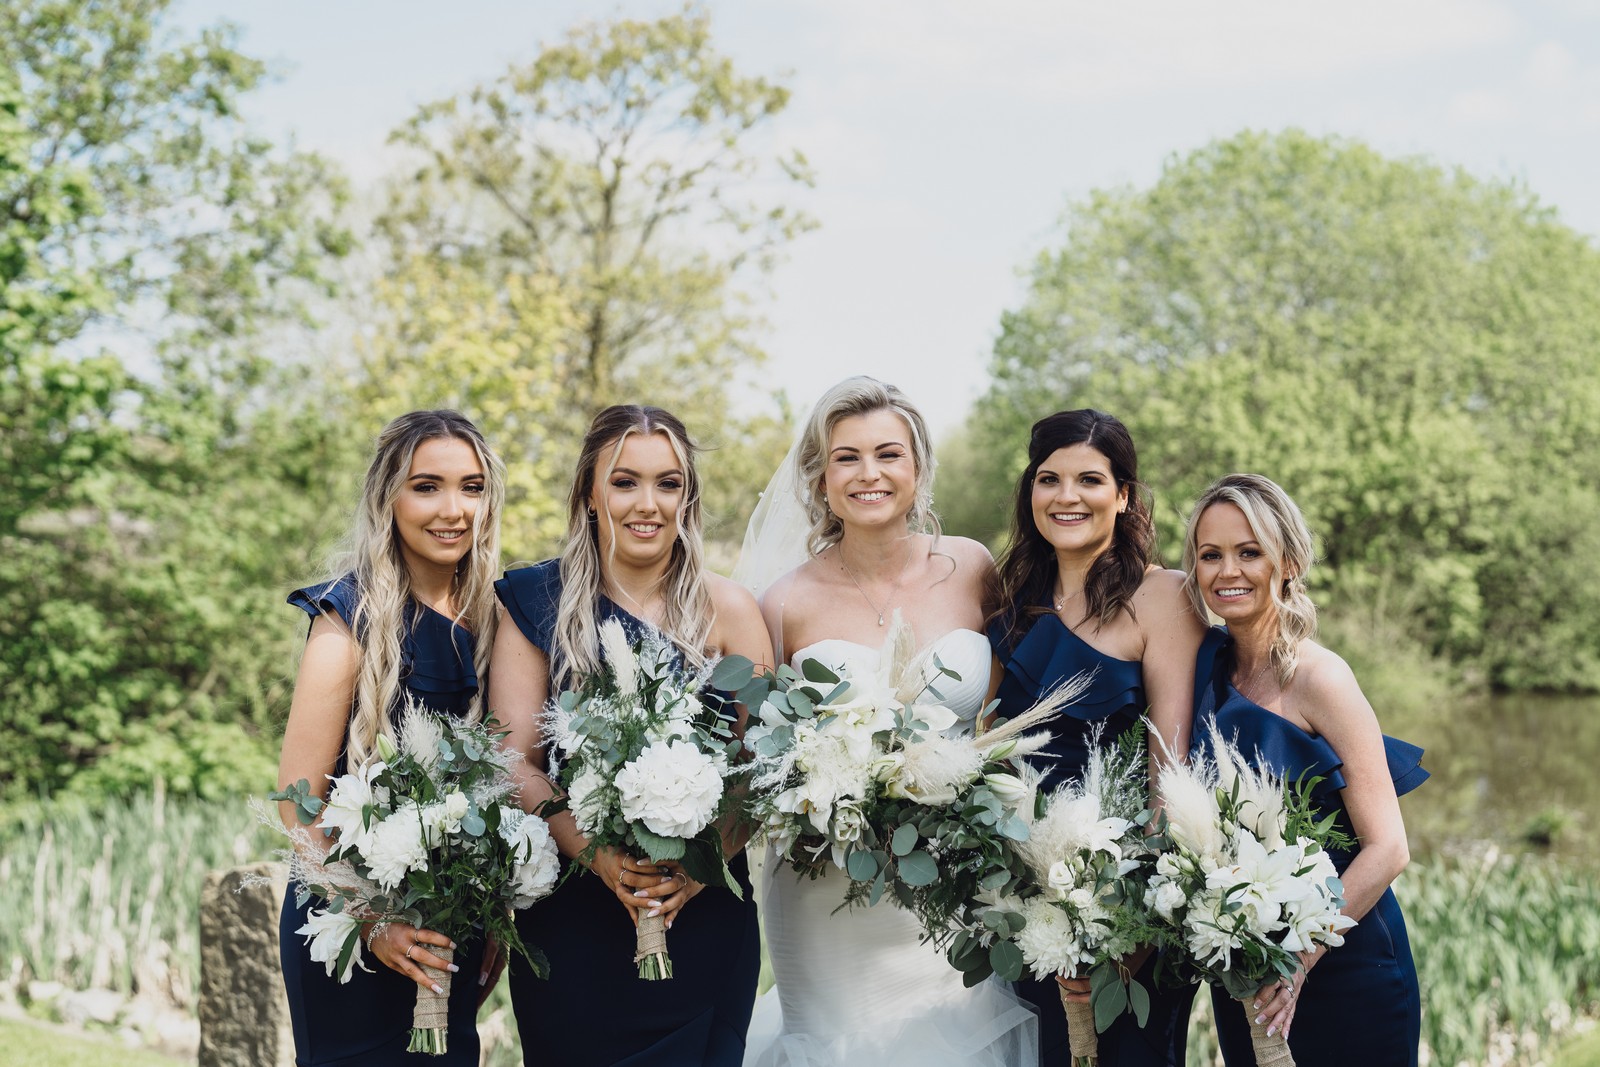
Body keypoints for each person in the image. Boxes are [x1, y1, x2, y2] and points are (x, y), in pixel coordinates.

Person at [738, 376, 1039, 1067]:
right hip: (827, 886)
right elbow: (758, 754)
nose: (868, 473)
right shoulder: (781, 602)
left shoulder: (971, 567)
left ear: (918, 467)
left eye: (888, 454)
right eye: (846, 458)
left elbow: (1000, 725)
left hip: (956, 880)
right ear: (820, 478)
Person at [491, 404, 772, 1067]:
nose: (648, 503)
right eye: (625, 482)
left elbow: (765, 762)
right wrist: (599, 857)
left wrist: (699, 870)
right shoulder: (536, 602)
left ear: (687, 497)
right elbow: (513, 760)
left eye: (668, 483)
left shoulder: (729, 609)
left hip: (703, 920)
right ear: (590, 493)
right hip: (573, 924)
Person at [276, 410, 505, 1065]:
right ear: (388, 498)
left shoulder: (496, 621)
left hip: (450, 929)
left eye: (471, 487)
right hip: (348, 927)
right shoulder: (344, 618)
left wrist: (495, 912)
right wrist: (372, 924)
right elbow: (296, 803)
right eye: (427, 486)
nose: (453, 509)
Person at [987, 408, 1206, 1066]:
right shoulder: (1010, 604)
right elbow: (990, 755)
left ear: (1124, 496)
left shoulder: (1162, 597)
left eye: (1089, 479)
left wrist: (1135, 924)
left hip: (1131, 907)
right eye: (1049, 479)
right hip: (1029, 907)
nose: (1067, 496)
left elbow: (1172, 770)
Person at [1183, 474, 1426, 1064]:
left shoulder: (1323, 679)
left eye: (1249, 552)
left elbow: (1389, 848)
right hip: (1246, 972)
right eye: (1210, 555)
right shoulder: (1201, 668)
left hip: (1345, 962)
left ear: (1287, 561)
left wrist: (1297, 959)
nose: (1227, 571)